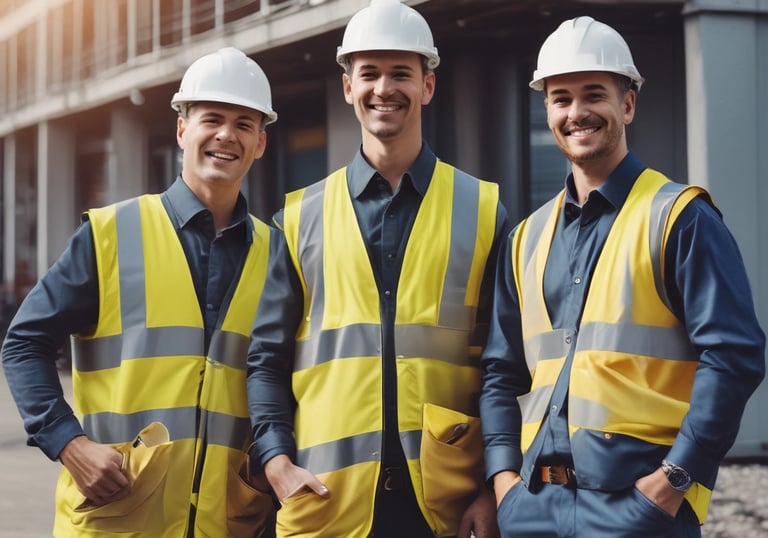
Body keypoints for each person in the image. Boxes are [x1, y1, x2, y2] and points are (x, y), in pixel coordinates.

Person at [480, 16, 766, 538]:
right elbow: (501, 371)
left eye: (594, 94)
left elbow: (734, 355)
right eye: (560, 98)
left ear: (627, 103)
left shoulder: (679, 216)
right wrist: (503, 480)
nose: (576, 112)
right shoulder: (525, 237)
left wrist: (674, 479)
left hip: (638, 509)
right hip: (533, 508)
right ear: (546, 109)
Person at [245, 0, 508, 536]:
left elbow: (505, 366)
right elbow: (267, 359)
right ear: (347, 87)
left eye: (400, 74)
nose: (383, 88)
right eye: (368, 73)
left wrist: (490, 487)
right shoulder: (298, 218)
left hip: (445, 506)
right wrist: (276, 463)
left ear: (427, 87)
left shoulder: (483, 211)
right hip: (327, 500)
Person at [2, 47, 280, 537]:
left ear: (260, 142)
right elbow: (24, 343)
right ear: (181, 130)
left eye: (243, 123)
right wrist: (71, 444)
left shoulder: (276, 252)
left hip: (228, 522)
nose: (225, 135)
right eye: (211, 118)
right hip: (118, 516)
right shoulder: (111, 233)